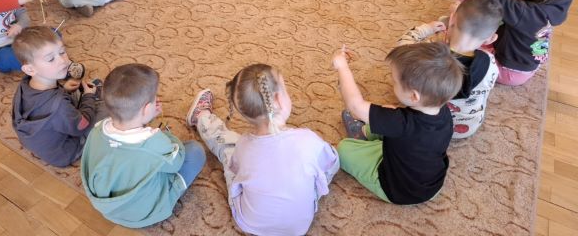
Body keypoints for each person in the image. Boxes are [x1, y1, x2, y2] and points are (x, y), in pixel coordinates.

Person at [185, 64, 340, 235]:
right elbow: (332, 163)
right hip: (298, 227)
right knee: (321, 163)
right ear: (278, 100)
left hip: (250, 223)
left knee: (229, 149)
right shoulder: (308, 141)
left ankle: (203, 117)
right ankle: (200, 117)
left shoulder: (243, 145)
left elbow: (236, 169)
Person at [334, 42, 463, 204]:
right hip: (431, 184)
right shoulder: (444, 112)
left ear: (414, 96)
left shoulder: (401, 123)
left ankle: (363, 135)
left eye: (394, 82)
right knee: (387, 118)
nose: (392, 83)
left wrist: (342, 67)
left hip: (399, 189)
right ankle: (368, 132)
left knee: (344, 148)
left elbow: (355, 107)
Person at [81, 64, 206, 228]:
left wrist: (144, 120)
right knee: (195, 150)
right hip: (145, 213)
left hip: (110, 208)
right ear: (146, 109)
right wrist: (164, 135)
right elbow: (177, 162)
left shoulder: (97, 130)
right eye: (154, 98)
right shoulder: (154, 142)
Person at [397, 0, 503, 139]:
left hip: (429, 126)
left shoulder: (430, 55)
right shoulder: (490, 62)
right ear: (491, 39)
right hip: (468, 126)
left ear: (451, 19)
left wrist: (426, 29)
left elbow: (402, 45)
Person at [470, 0, 574, 86]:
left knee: (466, 54)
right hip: (524, 62)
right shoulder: (548, 7)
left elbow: (501, 0)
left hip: (510, 70)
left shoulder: (530, 15)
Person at [12, 26, 100, 167]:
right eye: (51, 59)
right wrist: (88, 98)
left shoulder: (26, 83)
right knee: (110, 108)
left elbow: (42, 104)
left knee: (81, 95)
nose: (63, 61)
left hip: (41, 140)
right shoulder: (59, 106)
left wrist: (64, 90)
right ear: (30, 69)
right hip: (65, 152)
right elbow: (81, 127)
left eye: (62, 52)